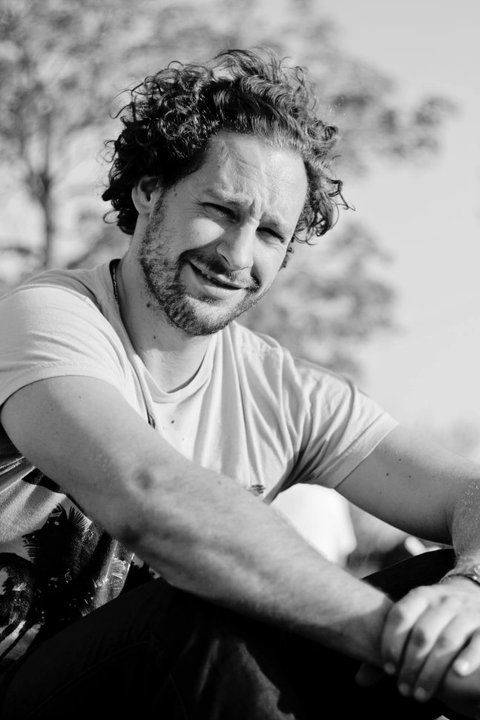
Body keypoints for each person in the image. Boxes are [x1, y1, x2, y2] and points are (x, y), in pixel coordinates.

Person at [0, 48, 480, 720]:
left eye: (270, 233)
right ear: (148, 190)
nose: (237, 254)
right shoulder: (47, 317)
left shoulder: (284, 390)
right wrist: (398, 642)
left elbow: (469, 493)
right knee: (205, 606)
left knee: (443, 592)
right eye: (222, 210)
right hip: (29, 696)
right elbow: (151, 498)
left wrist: (466, 594)